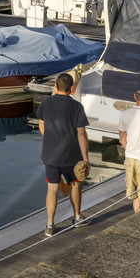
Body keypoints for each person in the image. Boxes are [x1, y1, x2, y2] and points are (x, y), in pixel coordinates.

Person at [36, 72, 90, 236]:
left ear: (55, 86)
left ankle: (50, 225)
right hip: (71, 156)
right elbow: (81, 134)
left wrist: (50, 139)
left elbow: (42, 125)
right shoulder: (77, 107)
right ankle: (76, 217)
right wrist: (86, 159)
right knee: (75, 185)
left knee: (51, 189)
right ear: (72, 89)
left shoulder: (46, 102)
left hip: (50, 155)